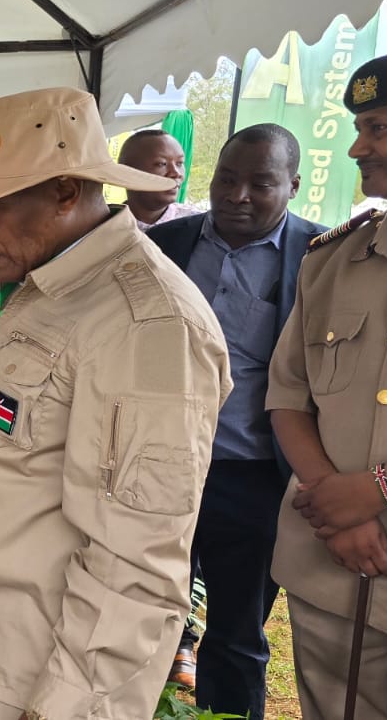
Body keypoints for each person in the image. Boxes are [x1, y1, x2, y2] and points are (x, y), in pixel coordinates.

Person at [0, 87, 231, 720]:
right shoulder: (44, 281)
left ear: (64, 191)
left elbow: (136, 562)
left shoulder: (145, 323)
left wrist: (68, 707)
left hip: (41, 683)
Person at [268, 48, 387, 720]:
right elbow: (289, 395)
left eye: (380, 127)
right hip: (334, 566)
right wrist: (335, 503)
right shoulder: (333, 260)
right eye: (358, 128)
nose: (356, 148)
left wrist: (373, 490)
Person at [146, 123, 323, 720]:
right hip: (155, 469)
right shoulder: (161, 246)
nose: (237, 195)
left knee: (237, 635)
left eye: (260, 183)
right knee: (142, 616)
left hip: (253, 478)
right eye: (226, 178)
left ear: (293, 186)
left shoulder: (322, 258)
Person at [119, 130, 203, 230]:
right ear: (128, 171)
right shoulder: (106, 224)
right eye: (161, 164)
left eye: (179, 163)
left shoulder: (200, 225)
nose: (176, 173)